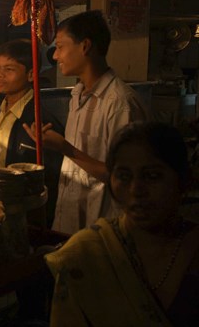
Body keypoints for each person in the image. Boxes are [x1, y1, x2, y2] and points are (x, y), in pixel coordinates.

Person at [45, 122, 199, 326]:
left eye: (152, 176)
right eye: (124, 176)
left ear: (184, 182)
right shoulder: (86, 253)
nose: (136, 189)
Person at [24, 10, 148, 234]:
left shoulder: (120, 103)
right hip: (70, 220)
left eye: (61, 47)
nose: (55, 56)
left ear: (85, 46)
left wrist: (65, 148)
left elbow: (125, 177)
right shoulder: (77, 95)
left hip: (103, 228)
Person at [0, 38, 64, 227]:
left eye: (9, 69)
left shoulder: (41, 121)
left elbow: (53, 179)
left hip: (24, 216)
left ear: (31, 74)